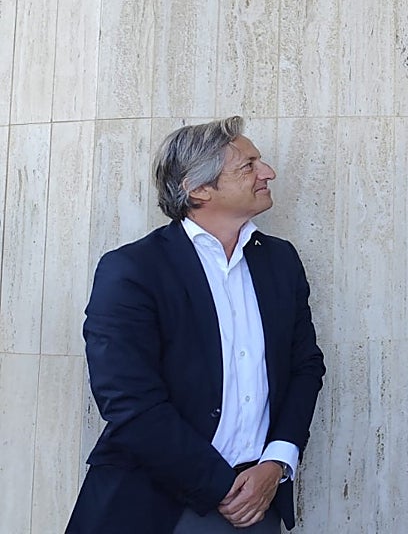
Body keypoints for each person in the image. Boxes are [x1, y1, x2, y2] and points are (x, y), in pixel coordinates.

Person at [67, 117, 325, 534]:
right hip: (156, 505)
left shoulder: (280, 260)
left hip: (259, 503)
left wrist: (277, 463)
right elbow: (129, 402)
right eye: (249, 166)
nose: (268, 173)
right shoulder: (133, 270)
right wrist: (221, 486)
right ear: (199, 188)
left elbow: (305, 365)